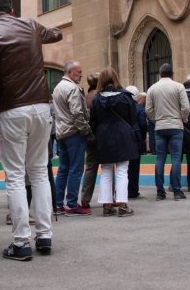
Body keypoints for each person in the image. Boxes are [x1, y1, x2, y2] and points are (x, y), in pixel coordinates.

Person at [0, 0, 61, 261]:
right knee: (39, 173)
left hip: (11, 109)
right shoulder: (31, 25)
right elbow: (55, 34)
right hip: (42, 106)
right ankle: (44, 235)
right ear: (12, 10)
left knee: (14, 176)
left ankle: (22, 242)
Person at [89, 70, 139, 216]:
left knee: (105, 170)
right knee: (122, 170)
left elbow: (93, 121)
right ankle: (123, 205)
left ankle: (107, 205)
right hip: (123, 135)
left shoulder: (97, 99)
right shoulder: (125, 97)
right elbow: (132, 118)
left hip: (103, 137)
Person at [52, 61, 92, 216]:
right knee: (75, 169)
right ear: (70, 72)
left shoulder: (57, 88)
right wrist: (86, 130)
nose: (81, 74)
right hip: (73, 133)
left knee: (63, 169)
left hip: (61, 132)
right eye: (79, 71)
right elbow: (77, 113)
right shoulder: (72, 88)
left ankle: (58, 204)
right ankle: (72, 204)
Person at [145, 63, 190, 201]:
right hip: (176, 124)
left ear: (160, 73)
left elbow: (148, 110)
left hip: (160, 126)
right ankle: (176, 191)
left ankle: (160, 192)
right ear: (172, 73)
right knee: (176, 158)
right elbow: (186, 107)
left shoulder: (152, 88)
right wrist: (183, 119)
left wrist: (155, 120)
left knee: (160, 159)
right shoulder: (179, 87)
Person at [80, 72, 100, 209]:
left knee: (91, 167)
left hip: (89, 136)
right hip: (100, 134)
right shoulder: (99, 96)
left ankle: (85, 198)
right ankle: (110, 198)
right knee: (108, 167)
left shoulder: (86, 97)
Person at [125, 86, 147, 199]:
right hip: (135, 139)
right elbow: (143, 124)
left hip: (124, 139)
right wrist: (142, 137)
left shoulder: (122, 107)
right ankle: (133, 190)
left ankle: (123, 190)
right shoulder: (139, 108)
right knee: (134, 167)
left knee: (123, 167)